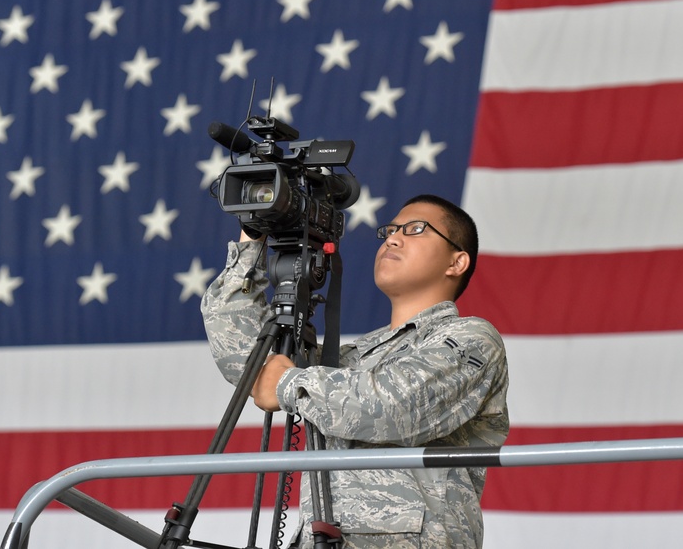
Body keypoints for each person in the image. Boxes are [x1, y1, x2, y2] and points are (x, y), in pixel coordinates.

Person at [201, 194, 510, 548]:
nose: (393, 238)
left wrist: (289, 382)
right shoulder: (352, 359)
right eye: (390, 230)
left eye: (415, 229)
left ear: (457, 262)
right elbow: (245, 358)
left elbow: (396, 405)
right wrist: (252, 240)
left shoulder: (471, 338)